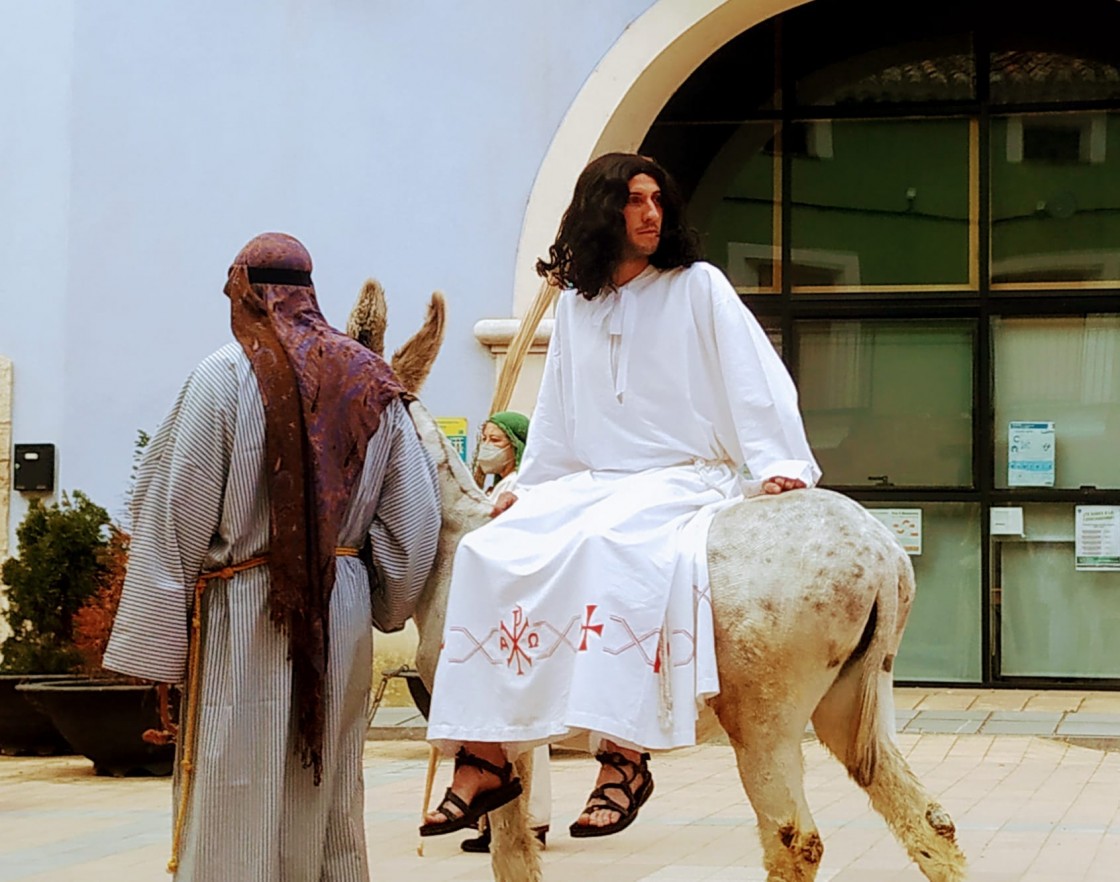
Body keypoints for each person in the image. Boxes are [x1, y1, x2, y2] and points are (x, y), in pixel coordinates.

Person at [421, 153, 820, 841]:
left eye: (658, 199)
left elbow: (755, 380)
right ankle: (487, 754)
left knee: (618, 546)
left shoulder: (698, 287)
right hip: (593, 481)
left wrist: (776, 463)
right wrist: (529, 487)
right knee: (491, 548)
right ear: (603, 210)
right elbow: (556, 418)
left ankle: (623, 757)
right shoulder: (580, 305)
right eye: (635, 201)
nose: (651, 213)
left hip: (685, 473)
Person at [104, 232, 441, 881]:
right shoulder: (371, 383)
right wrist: (381, 600)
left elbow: (175, 508)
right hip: (337, 609)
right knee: (328, 783)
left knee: (236, 777)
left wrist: (158, 647)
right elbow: (413, 519)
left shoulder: (222, 376)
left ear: (243, 291)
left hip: (243, 608)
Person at [461, 410, 551, 853]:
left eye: (495, 438)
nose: (487, 446)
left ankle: (531, 820)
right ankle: (492, 821)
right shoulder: (495, 487)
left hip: (516, 612)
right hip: (497, 609)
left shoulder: (523, 490)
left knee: (525, 723)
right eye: (485, 437)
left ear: (515, 444)